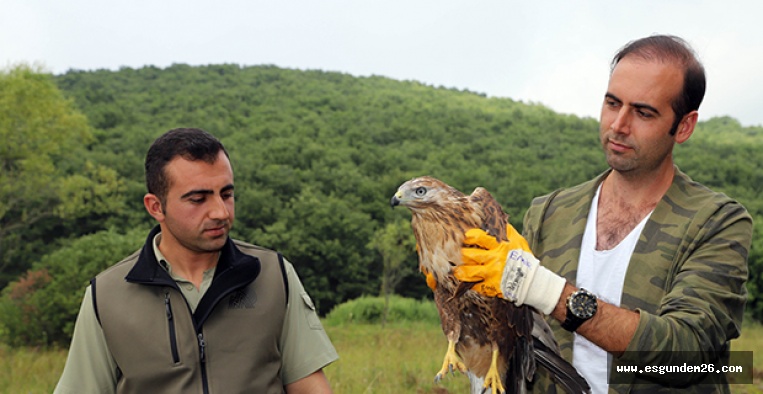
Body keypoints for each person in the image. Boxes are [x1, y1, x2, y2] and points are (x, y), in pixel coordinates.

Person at [454, 35, 752, 393]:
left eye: (643, 112)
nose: (619, 125)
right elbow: (512, 340)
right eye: (613, 103)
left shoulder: (717, 222)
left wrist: (544, 290)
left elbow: (687, 353)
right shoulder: (549, 213)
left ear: (684, 126)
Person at [54, 128, 338, 394]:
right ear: (156, 207)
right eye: (198, 199)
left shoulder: (273, 275)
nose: (220, 212)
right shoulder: (106, 296)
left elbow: (309, 385)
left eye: (226, 194)